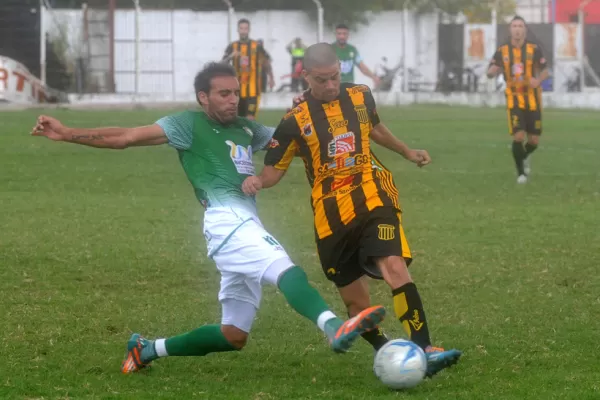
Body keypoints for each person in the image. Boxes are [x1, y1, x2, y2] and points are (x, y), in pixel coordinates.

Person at [30, 62, 387, 374]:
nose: (233, 99)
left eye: (235, 93)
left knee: (234, 335)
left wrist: (307, 105)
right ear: (204, 98)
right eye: (223, 94)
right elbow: (125, 137)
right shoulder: (187, 125)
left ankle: (147, 348)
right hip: (225, 218)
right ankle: (333, 327)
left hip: (242, 224)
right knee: (284, 268)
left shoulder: (248, 129)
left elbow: (295, 139)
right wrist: (66, 134)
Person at [242, 43, 461, 378]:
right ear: (306, 76)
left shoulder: (360, 95)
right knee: (357, 305)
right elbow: (274, 170)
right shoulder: (294, 121)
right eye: (321, 80)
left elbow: (374, 128)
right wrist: (257, 181)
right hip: (330, 216)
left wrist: (406, 151)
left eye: (334, 77)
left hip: (371, 195)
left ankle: (424, 347)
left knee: (394, 265)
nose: (330, 85)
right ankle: (388, 351)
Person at [487, 16, 549, 184]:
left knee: (534, 141)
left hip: (533, 99)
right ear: (510, 29)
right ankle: (521, 174)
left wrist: (538, 80)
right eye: (514, 25)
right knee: (519, 137)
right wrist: (491, 72)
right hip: (514, 99)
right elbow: (492, 68)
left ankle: (524, 156)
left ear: (525, 29)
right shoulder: (502, 50)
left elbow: (545, 71)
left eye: (520, 25)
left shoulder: (534, 49)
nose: (517, 29)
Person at [223, 19, 275, 119]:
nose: (243, 31)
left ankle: (249, 133)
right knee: (237, 119)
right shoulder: (232, 46)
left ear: (249, 30)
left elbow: (266, 63)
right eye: (241, 28)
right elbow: (222, 63)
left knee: (250, 118)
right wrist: (231, 56)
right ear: (238, 30)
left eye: (245, 28)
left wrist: (271, 78)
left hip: (253, 90)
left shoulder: (256, 46)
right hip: (236, 90)